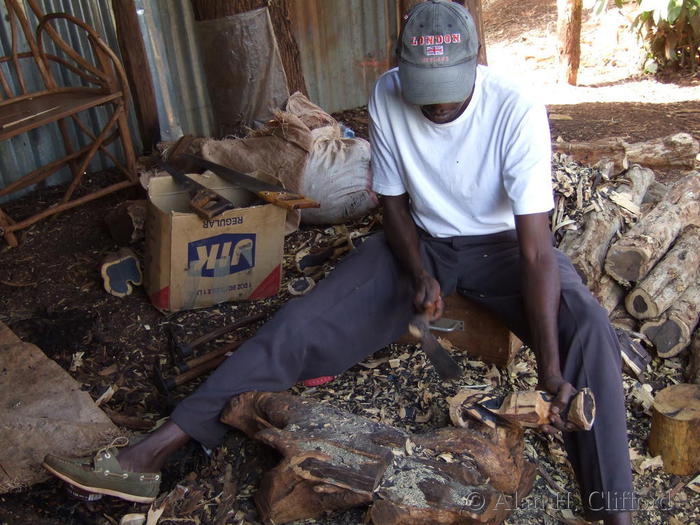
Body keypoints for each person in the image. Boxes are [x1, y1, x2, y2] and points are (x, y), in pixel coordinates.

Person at [43, 1, 634, 522]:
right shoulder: (386, 94)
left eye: (449, 91)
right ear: (401, 68)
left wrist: (550, 370)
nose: (436, 106)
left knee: (587, 327)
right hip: (423, 242)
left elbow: (536, 251)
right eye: (424, 91)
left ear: (474, 66)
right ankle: (148, 455)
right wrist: (419, 274)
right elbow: (393, 204)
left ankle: (613, 509)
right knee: (300, 325)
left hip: (505, 248)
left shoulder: (515, 107)